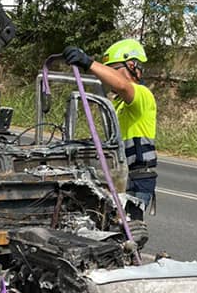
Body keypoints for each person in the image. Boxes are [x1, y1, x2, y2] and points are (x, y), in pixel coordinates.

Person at [63, 38, 157, 220]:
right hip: (121, 174)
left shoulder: (143, 95)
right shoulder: (119, 104)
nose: (107, 76)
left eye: (113, 69)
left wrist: (88, 63)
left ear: (132, 66)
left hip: (136, 177)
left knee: (126, 227)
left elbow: (122, 85)